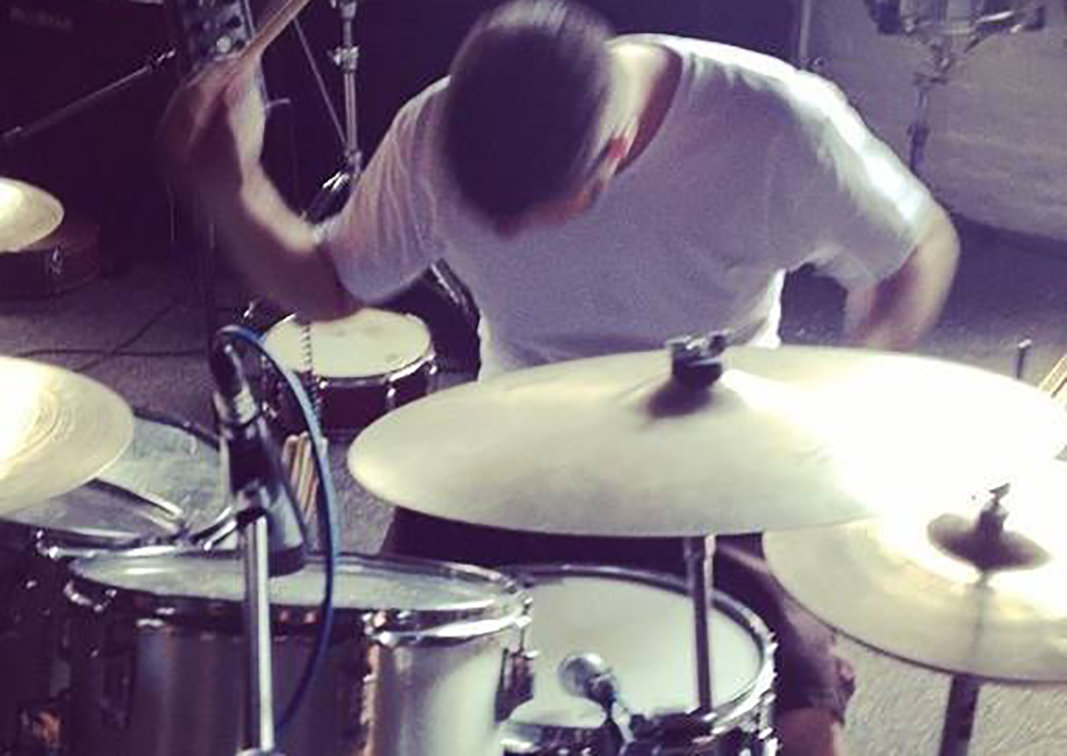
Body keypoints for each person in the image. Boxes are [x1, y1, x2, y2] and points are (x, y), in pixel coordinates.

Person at [157, 1, 960, 753]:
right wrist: (233, 185)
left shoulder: (775, 122)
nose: (504, 236)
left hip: (718, 454)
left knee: (805, 720)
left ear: (614, 152)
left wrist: (840, 401)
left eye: (532, 216)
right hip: (513, 447)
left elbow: (916, 249)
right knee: (385, 671)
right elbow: (328, 286)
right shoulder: (433, 130)